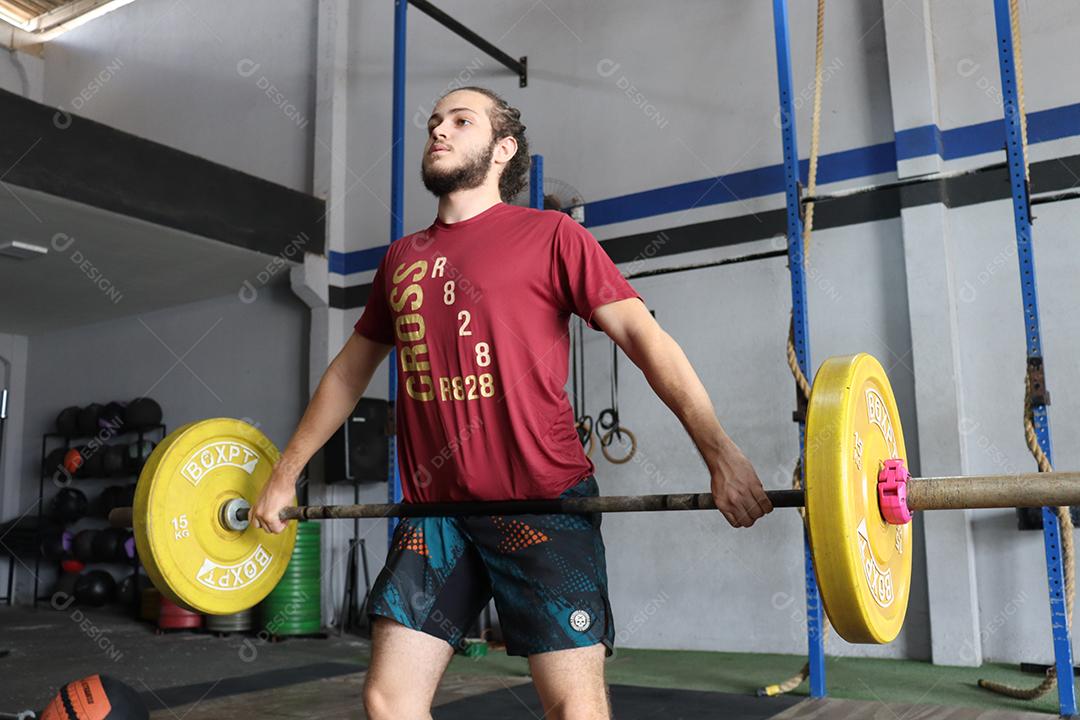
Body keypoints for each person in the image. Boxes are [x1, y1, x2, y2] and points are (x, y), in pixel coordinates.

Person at [249, 86, 772, 720]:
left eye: (460, 121)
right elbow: (345, 375)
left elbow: (644, 337)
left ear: (504, 149)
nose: (438, 130)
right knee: (388, 701)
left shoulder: (551, 236)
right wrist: (284, 475)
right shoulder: (402, 259)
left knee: (573, 709)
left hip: (542, 503)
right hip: (436, 512)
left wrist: (718, 451)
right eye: (435, 122)